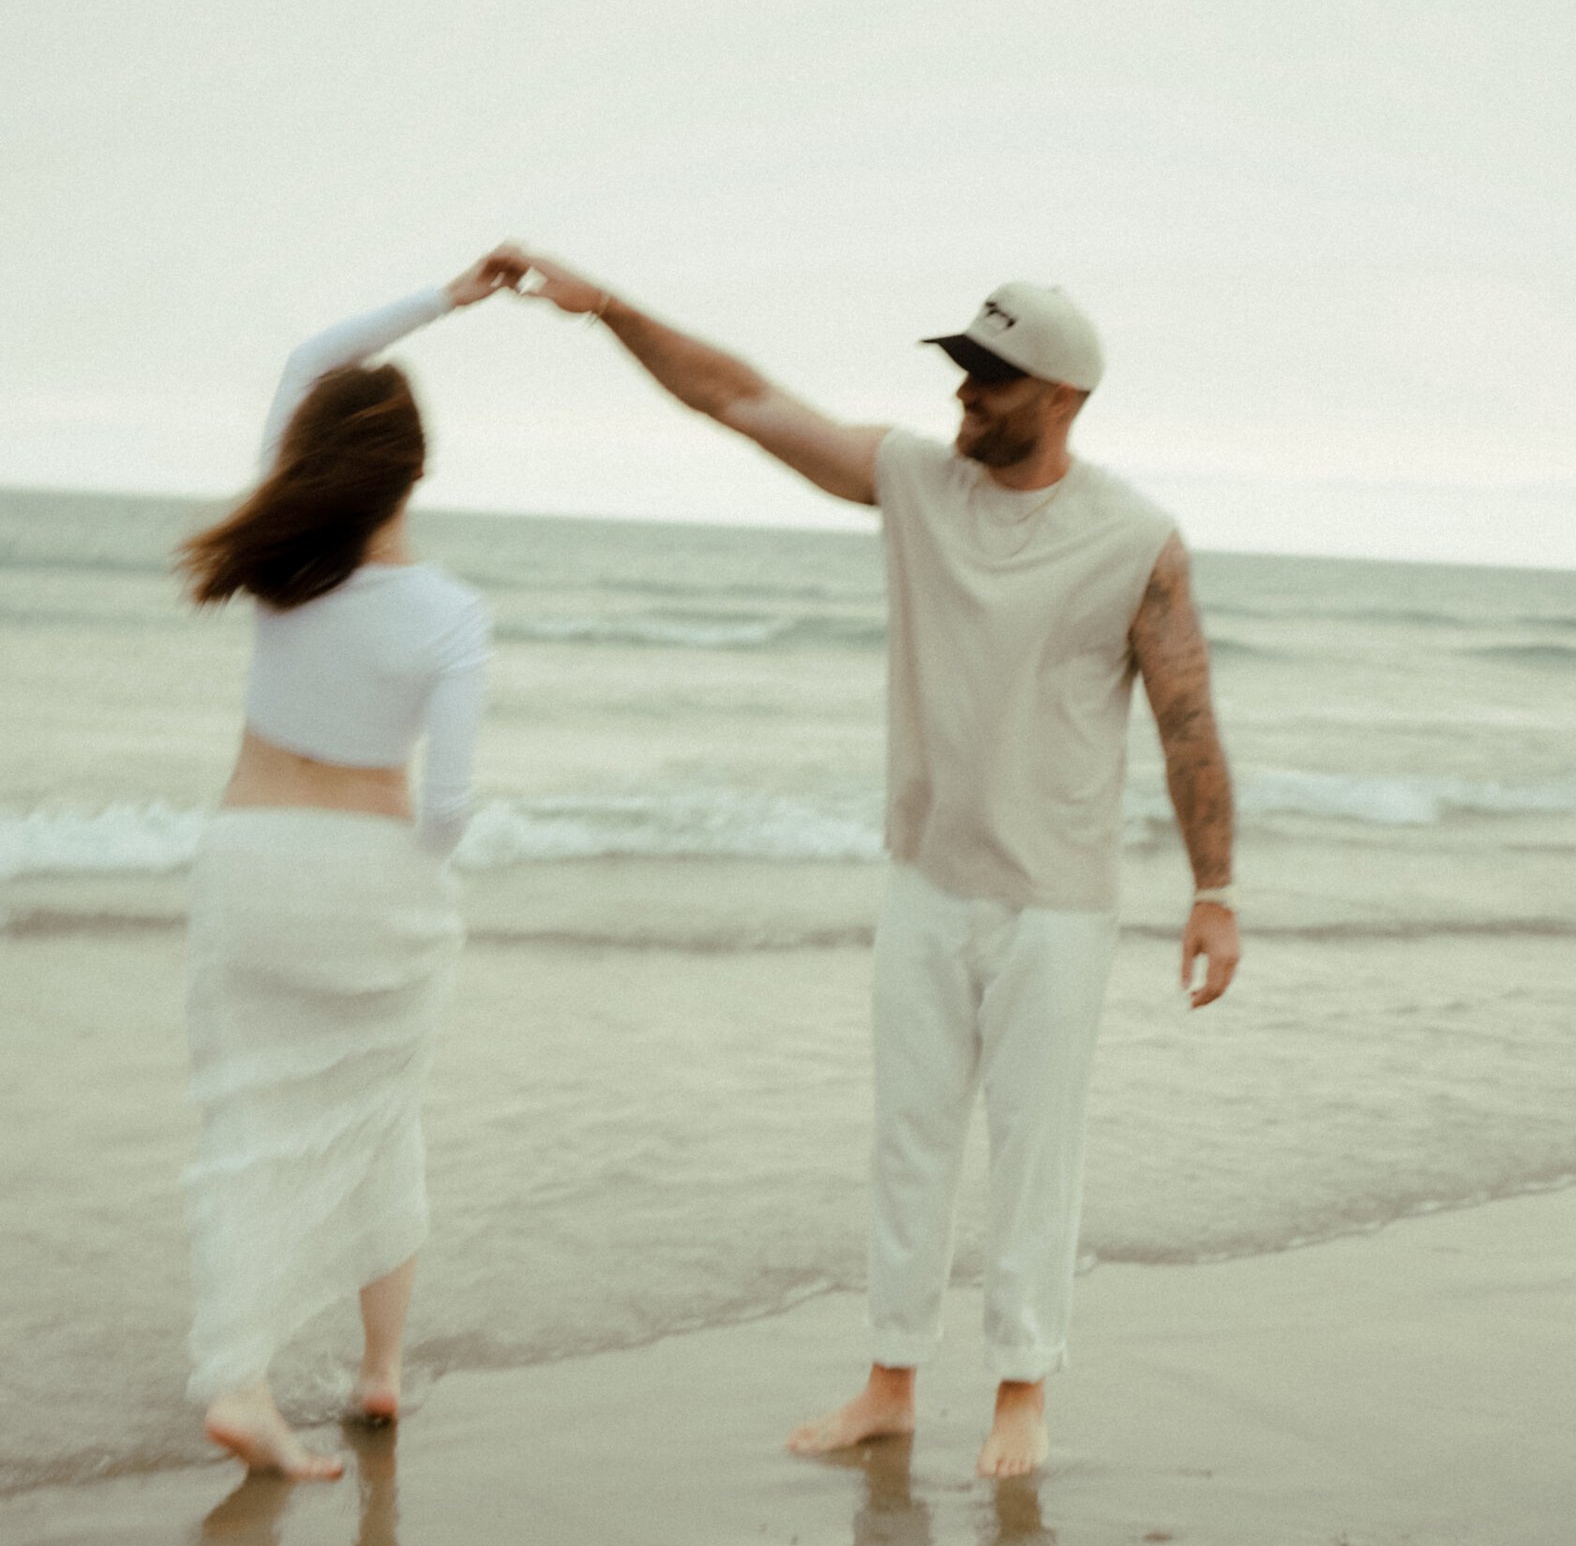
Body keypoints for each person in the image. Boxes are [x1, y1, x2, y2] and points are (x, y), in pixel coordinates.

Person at [515, 259, 1240, 1477]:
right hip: (925, 880)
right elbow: (742, 402)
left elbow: (1186, 720)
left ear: (1060, 397)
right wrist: (615, 312)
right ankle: (890, 1383)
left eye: (992, 379)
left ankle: (1020, 1394)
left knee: (1031, 1151)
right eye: (961, 369)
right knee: (906, 1140)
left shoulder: (1134, 541)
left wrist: (1212, 893)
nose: (966, 396)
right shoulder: (914, 481)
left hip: (1056, 905)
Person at [178, 247, 525, 1480]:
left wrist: (447, 298)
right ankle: (369, 1374)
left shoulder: (283, 559)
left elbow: (307, 359)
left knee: (248, 1129)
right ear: (416, 474)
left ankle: (256, 1379)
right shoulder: (448, 615)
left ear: (312, 456)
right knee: (382, 1119)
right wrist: (415, 884)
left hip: (249, 858)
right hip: (376, 883)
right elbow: (451, 804)